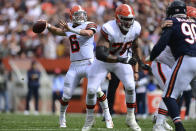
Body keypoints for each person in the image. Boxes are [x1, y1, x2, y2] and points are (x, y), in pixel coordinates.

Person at [43, 5, 112, 128]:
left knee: (97, 90)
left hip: (89, 63)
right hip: (74, 65)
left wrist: (70, 29)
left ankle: (108, 116)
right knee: (66, 95)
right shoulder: (68, 27)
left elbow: (88, 33)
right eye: (77, 15)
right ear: (72, 17)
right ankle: (62, 118)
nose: (80, 17)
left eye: (82, 14)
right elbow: (57, 31)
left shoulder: (90, 24)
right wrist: (47, 25)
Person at [82, 4, 142, 131]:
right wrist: (122, 59)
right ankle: (89, 119)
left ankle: (130, 118)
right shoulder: (109, 28)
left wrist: (139, 62)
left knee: (131, 87)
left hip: (121, 61)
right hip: (103, 62)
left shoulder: (136, 27)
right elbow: (100, 53)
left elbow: (135, 46)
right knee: (92, 90)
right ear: (118, 18)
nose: (128, 22)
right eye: (125, 19)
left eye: (130, 19)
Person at [149, 1, 196, 131]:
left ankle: (160, 118)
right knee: (170, 93)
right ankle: (159, 122)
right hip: (162, 63)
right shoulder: (184, 24)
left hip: (181, 62)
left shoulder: (173, 23)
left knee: (171, 94)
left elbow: (163, 42)